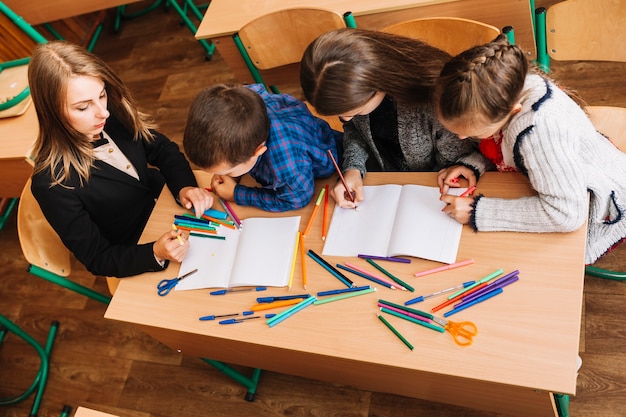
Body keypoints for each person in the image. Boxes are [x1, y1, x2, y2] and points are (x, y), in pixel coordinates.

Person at [435, 34, 626, 265]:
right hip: (559, 178)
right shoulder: (508, 86)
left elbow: (566, 215)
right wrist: (473, 164)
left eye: (472, 132)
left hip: (597, 203)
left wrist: (478, 211)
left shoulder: (538, 133)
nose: (461, 137)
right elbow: (503, 143)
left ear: (513, 111)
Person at [28, 41, 213, 278]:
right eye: (83, 107)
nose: (102, 112)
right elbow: (98, 257)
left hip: (170, 207)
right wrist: (155, 253)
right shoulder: (52, 184)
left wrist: (184, 186)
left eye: (102, 95)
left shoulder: (110, 113)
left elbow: (161, 149)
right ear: (52, 112)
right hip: (138, 249)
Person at [300, 28, 492, 208]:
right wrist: (353, 168)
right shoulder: (356, 95)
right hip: (387, 186)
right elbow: (354, 132)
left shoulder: (436, 100)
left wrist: (463, 167)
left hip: (433, 194)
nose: (346, 119)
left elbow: (474, 152)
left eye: (354, 112)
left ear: (378, 84)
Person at [182, 83, 343, 212]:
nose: (221, 175)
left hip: (334, 164)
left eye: (229, 171)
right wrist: (232, 171)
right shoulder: (243, 100)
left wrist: (237, 194)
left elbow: (296, 199)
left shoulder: (285, 164)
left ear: (257, 151)